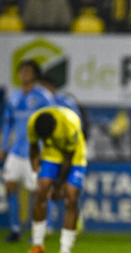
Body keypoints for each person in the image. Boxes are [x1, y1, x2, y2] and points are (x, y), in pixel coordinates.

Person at [1, 60, 55, 243]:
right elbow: (8, 123)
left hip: (35, 152)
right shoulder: (14, 97)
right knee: (10, 187)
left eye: (27, 71)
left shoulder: (43, 97)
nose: (23, 74)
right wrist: (4, 147)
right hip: (16, 151)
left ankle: (37, 230)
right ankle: (16, 229)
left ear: (35, 74)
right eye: (21, 71)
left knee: (37, 193)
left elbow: (52, 123)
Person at [27, 106, 87, 253]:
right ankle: (37, 245)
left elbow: (68, 159)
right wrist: (35, 175)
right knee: (41, 192)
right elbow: (34, 148)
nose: (46, 139)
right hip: (51, 153)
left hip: (74, 156)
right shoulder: (33, 122)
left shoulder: (70, 123)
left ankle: (65, 249)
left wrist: (58, 187)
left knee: (71, 197)